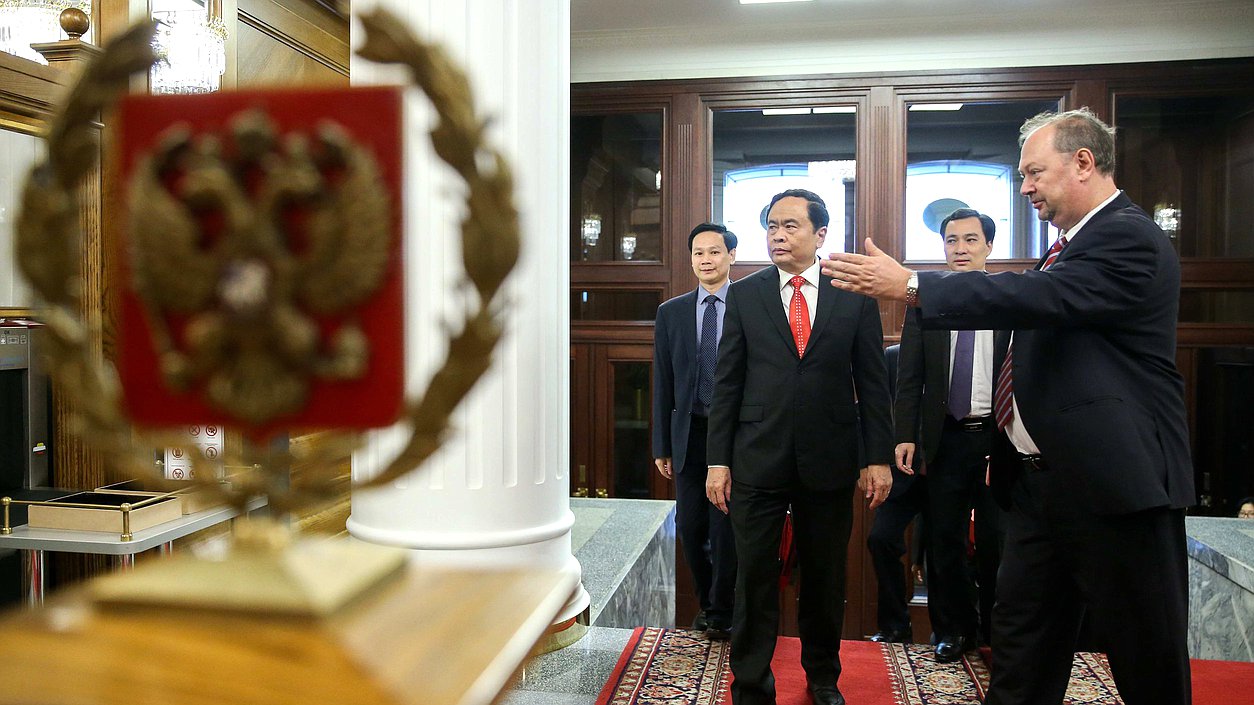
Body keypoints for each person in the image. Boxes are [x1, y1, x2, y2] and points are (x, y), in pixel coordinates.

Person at [821, 108, 1195, 705]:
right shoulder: (1067, 247)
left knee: (1146, 660)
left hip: (1117, 490)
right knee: (1021, 652)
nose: (1025, 188)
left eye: (1033, 173)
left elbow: (1040, 298)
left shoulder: (1125, 235)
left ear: (1082, 162)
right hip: (1041, 491)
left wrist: (916, 286)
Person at [706, 189, 894, 705]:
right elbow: (727, 383)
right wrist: (717, 461)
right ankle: (750, 683)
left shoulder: (851, 295)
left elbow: (873, 383)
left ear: (821, 235)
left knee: (825, 578)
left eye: (790, 226)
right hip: (756, 458)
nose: (778, 235)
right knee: (754, 578)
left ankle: (823, 678)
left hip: (830, 459)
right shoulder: (746, 294)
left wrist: (876, 457)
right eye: (771, 226)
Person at [894, 208, 1002, 661]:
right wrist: (905, 434)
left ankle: (995, 633)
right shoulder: (925, 302)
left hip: (999, 440)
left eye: (970, 240)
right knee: (945, 540)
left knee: (998, 540)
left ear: (988, 248)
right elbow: (910, 375)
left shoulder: (1009, 299)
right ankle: (951, 632)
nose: (960, 248)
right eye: (952, 240)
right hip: (945, 437)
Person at [652, 222, 740, 640]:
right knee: (691, 527)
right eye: (698, 253)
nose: (705, 260)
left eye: (714, 252)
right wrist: (661, 445)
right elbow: (663, 383)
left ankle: (724, 611)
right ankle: (709, 603)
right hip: (690, 435)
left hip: (737, 437)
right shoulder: (671, 312)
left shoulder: (749, 305)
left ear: (731, 257)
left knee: (726, 530)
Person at [866, 343, 927, 645]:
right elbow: (879, 409)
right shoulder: (893, 357)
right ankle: (894, 626)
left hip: (945, 472)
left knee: (944, 548)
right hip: (903, 473)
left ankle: (951, 629)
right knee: (881, 538)